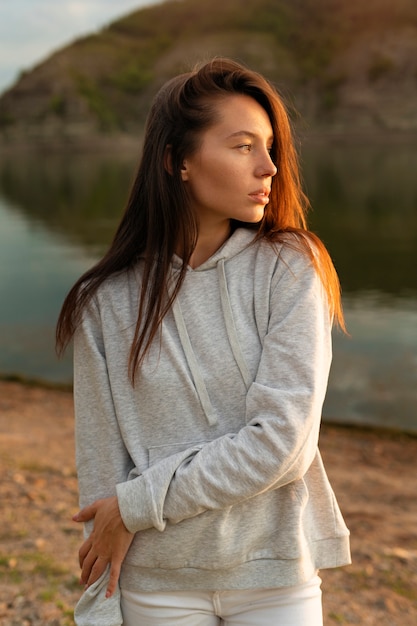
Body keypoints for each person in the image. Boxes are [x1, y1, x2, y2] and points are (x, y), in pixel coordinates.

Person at [56, 57, 351, 626]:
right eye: (243, 146)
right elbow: (100, 474)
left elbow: (283, 444)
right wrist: (100, 608)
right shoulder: (106, 301)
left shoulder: (290, 268)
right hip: (155, 584)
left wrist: (139, 504)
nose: (269, 167)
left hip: (274, 576)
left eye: (269, 147)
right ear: (178, 161)